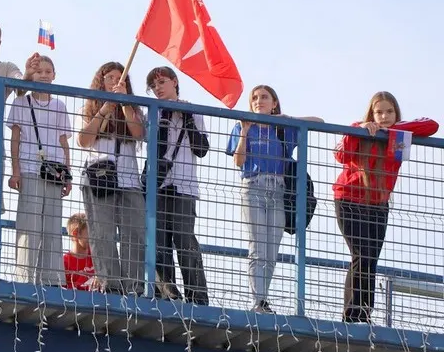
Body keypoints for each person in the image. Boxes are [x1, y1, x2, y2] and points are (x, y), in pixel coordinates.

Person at [333, 92, 438, 323]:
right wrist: (360, 128)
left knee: (370, 258)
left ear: (396, 113)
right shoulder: (358, 129)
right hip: (349, 199)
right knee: (361, 254)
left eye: (389, 111)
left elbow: (432, 125)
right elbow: (340, 155)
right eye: (379, 112)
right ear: (371, 114)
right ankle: (352, 315)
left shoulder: (399, 133)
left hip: (378, 204)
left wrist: (392, 130)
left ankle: (363, 314)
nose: (384, 116)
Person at [225, 85, 323, 313]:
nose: (258, 101)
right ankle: (258, 302)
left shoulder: (282, 128)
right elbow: (238, 161)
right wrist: (244, 132)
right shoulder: (242, 126)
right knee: (257, 248)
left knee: (271, 252)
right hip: (253, 187)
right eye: (254, 98)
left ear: (274, 103)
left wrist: (286, 118)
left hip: (278, 191)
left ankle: (263, 299)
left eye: (264, 97)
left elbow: (319, 120)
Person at [78, 62, 146, 294]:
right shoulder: (89, 107)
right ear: (101, 81)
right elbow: (84, 140)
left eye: (120, 78)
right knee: (102, 232)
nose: (116, 81)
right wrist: (104, 110)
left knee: (134, 232)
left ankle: (134, 285)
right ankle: (110, 284)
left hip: (128, 179)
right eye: (110, 78)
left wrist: (125, 104)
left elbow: (138, 133)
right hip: (100, 176)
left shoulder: (133, 110)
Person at [144, 66, 210, 306]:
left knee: (185, 240)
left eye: (161, 82)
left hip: (184, 185)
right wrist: (163, 117)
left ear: (174, 82)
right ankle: (168, 293)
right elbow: (155, 147)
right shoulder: (152, 112)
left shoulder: (193, 111)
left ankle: (197, 297)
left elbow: (201, 149)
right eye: (153, 86)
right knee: (159, 241)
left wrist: (187, 117)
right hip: (159, 185)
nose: (158, 88)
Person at [6, 54, 72, 286]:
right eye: (39, 71)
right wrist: (15, 170)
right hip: (30, 168)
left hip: (55, 171)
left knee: (52, 226)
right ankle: (24, 277)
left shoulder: (60, 106)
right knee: (29, 224)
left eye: (47, 71)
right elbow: (15, 139)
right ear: (31, 74)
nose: (43, 75)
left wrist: (68, 173)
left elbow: (64, 142)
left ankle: (51, 278)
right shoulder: (21, 102)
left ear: (54, 75)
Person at [64, 213, 95, 291]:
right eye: (90, 233)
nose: (94, 237)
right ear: (76, 234)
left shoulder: (98, 257)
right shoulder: (64, 263)